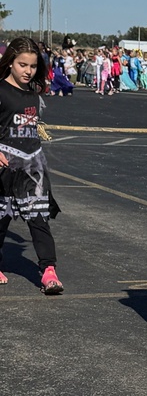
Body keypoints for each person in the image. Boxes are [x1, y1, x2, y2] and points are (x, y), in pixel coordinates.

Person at [0, 37, 64, 293]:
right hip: (4, 166)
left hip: (32, 166)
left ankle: (48, 270)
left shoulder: (34, 93)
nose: (28, 71)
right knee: (1, 219)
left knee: (38, 217)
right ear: (10, 62)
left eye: (33, 66)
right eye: (22, 64)